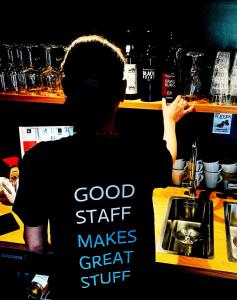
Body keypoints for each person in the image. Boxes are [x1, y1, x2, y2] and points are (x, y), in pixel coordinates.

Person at [13, 35, 193, 298]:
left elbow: (36, 246)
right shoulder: (142, 152)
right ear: (122, 90)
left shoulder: (40, 159)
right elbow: (168, 155)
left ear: (64, 87)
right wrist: (170, 120)